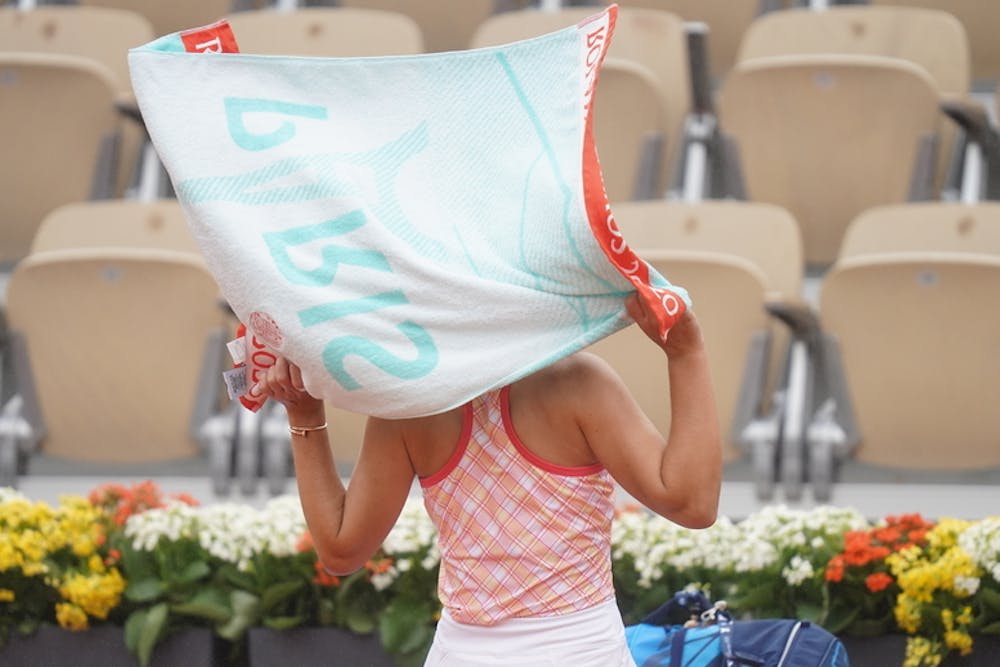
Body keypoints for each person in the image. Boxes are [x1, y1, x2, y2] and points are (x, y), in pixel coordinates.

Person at [253, 291, 723, 667]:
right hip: (582, 651)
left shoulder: (409, 408)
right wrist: (686, 353)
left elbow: (341, 549)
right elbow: (693, 504)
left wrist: (305, 414)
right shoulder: (577, 382)